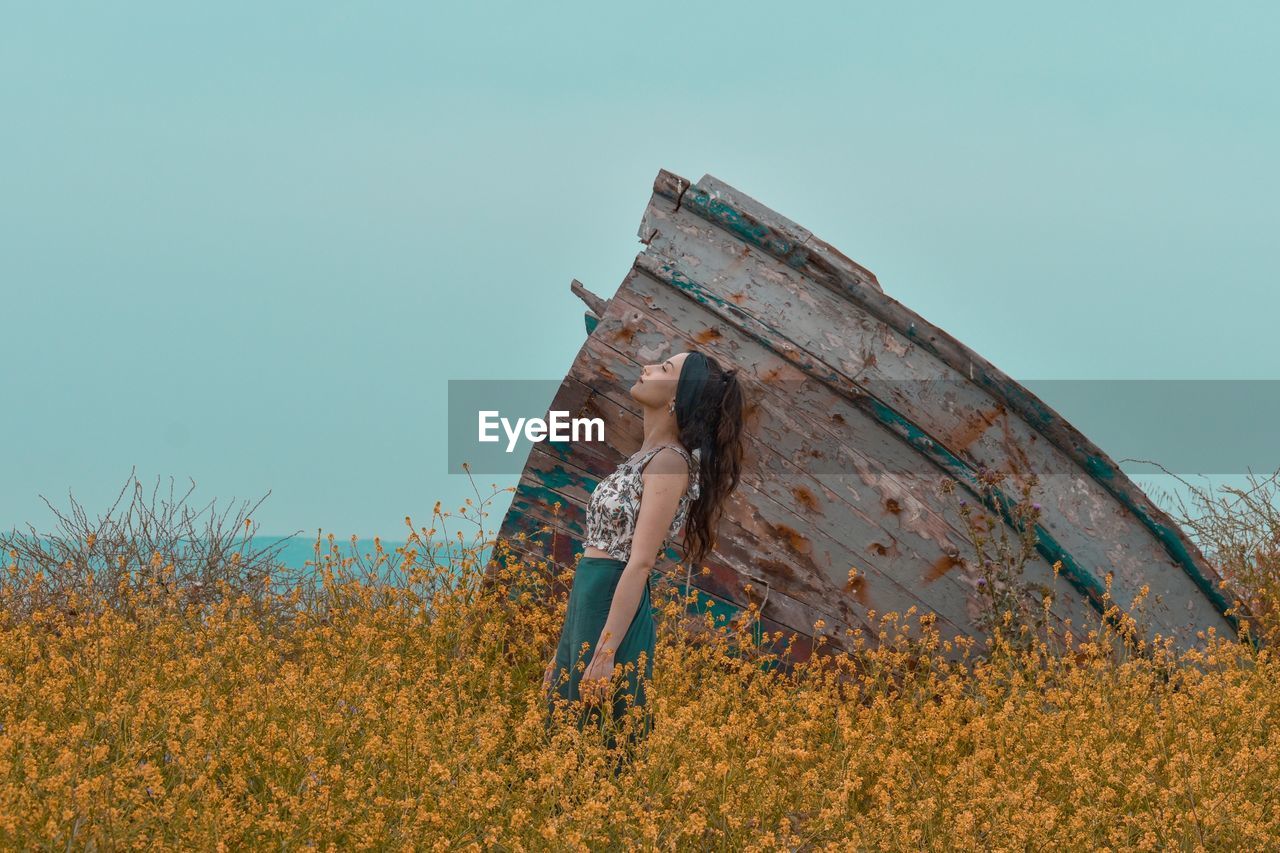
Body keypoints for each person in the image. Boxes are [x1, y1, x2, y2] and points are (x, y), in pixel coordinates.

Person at [541, 347, 746, 768]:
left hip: (613, 604)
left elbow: (640, 562)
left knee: (597, 744)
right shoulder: (644, 458)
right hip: (590, 594)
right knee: (561, 736)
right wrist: (560, 653)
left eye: (664, 368)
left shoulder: (670, 463)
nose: (647, 366)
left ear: (676, 398)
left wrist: (605, 652)